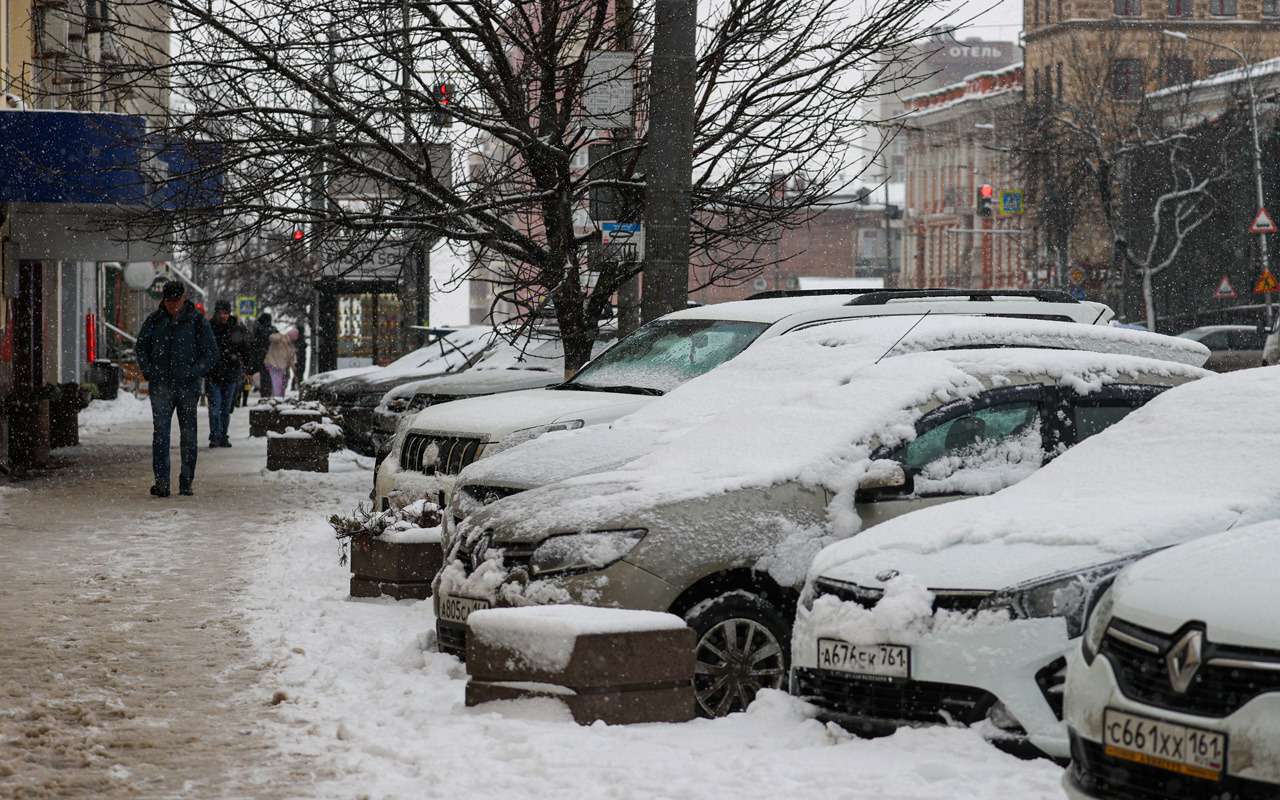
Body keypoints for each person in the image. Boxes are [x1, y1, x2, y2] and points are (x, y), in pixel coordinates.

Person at [136, 281, 216, 497]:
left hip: (187, 387)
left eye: (176, 301)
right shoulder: (155, 321)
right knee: (161, 434)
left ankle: (186, 481)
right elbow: (141, 347)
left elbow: (211, 353)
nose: (173, 306)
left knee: (188, 435)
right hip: (161, 385)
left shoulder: (197, 321)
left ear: (183, 298)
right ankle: (162, 482)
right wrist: (150, 371)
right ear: (164, 300)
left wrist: (193, 372)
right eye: (169, 302)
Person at [207, 300, 249, 448]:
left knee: (225, 409)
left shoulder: (236, 329)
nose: (223, 316)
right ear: (216, 312)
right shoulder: (209, 327)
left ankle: (223, 435)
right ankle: (215, 436)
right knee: (214, 409)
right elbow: (202, 348)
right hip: (213, 374)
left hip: (231, 374)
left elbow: (245, 349)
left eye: (226, 312)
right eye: (221, 312)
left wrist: (241, 363)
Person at [263, 328, 296, 397]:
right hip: (273, 364)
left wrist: (294, 369)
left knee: (282, 385)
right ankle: (277, 399)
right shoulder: (281, 338)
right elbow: (271, 337)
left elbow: (291, 359)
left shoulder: (291, 346)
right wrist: (279, 336)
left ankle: (279, 399)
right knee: (277, 384)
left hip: (282, 367)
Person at [250, 312, 274, 397]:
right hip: (272, 357)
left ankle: (264, 393)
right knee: (269, 375)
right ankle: (268, 392)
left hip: (261, 356)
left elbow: (254, 343)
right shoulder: (273, 329)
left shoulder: (258, 329)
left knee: (264, 375)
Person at [290, 325, 308, 390]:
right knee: (299, 372)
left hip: (298, 358)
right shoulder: (300, 338)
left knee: (297, 372)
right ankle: (299, 386)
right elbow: (301, 346)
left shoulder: (296, 337)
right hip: (300, 357)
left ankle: (296, 385)